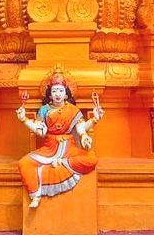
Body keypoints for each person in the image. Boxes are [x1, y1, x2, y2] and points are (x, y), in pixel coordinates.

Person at [15, 66, 103, 209]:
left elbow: (80, 129)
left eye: (61, 90)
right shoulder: (44, 110)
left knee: (92, 159)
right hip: (49, 148)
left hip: (69, 149)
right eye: (54, 91)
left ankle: (62, 162)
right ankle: (35, 194)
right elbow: (41, 131)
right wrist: (24, 119)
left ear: (66, 94)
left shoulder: (73, 110)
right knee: (23, 163)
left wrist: (93, 121)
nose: (57, 94)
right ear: (50, 94)